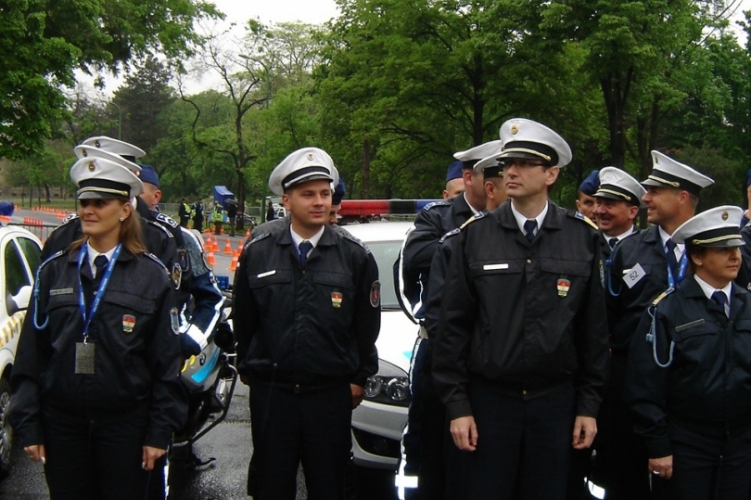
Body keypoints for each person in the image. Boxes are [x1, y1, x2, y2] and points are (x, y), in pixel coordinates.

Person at [432, 118, 609, 500]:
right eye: (508, 163)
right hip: (490, 404)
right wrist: (458, 405)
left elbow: (593, 332)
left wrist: (588, 406)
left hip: (554, 405)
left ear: (551, 174)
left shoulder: (582, 238)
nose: (511, 171)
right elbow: (453, 328)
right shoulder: (474, 237)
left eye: (525, 164)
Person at [8, 155, 187, 499]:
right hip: (64, 427)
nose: (88, 211)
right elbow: (32, 354)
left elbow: (165, 362)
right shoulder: (54, 271)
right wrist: (29, 423)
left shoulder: (151, 276)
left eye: (100, 203)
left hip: (125, 428)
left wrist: (159, 431)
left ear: (124, 210)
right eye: (84, 203)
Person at [233, 147, 380, 500]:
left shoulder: (354, 255)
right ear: (286, 200)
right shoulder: (259, 251)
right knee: (271, 485)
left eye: (325, 194)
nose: (319, 202)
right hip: (273, 394)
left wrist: (359, 377)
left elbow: (366, 325)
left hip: (328, 395)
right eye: (308, 194)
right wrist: (250, 366)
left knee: (329, 485)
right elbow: (244, 318)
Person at [606, 151, 713, 499]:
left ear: (682, 197)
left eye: (655, 191)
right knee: (627, 479)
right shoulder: (629, 250)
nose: (645, 198)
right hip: (631, 386)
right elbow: (610, 314)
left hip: (692, 384)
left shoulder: (711, 252)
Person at [396, 141, 499, 500]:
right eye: (493, 175)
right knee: (429, 442)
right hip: (440, 347)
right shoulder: (437, 218)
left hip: (487, 352)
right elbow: (410, 267)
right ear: (470, 178)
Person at [625, 206, 751, 500]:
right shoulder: (666, 310)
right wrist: (658, 445)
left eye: (736, 248)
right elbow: (645, 385)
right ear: (697, 257)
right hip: (688, 445)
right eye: (723, 250)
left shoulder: (747, 305)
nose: (735, 256)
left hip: (741, 445)